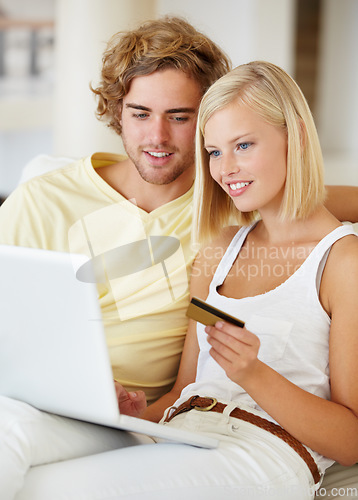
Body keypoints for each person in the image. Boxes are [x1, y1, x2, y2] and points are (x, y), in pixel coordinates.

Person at [0, 16, 358, 498]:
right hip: (98, 411)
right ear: (116, 112)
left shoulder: (233, 201)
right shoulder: (45, 200)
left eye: (180, 116)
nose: (158, 137)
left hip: (197, 436)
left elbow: (299, 194)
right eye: (141, 113)